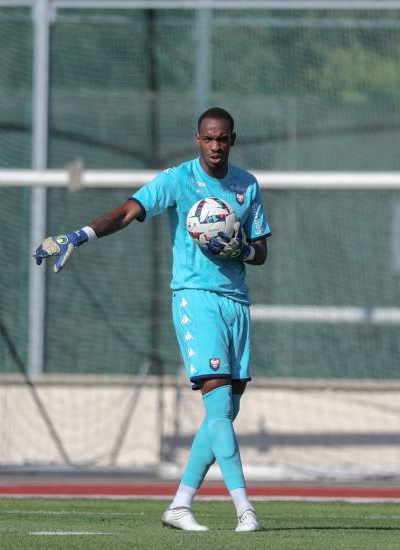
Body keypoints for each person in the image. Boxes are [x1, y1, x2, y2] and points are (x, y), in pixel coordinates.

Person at [33, 107, 270, 533]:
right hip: (196, 299)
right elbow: (127, 211)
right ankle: (245, 509)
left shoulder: (247, 185)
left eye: (223, 139)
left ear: (233, 139)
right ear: (198, 139)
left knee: (226, 411)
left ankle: (179, 506)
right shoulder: (178, 180)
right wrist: (80, 235)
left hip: (237, 302)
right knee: (217, 405)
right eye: (208, 139)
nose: (216, 146)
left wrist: (240, 250)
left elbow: (261, 251)